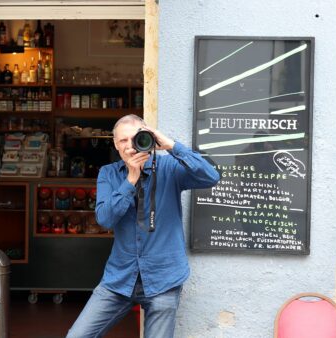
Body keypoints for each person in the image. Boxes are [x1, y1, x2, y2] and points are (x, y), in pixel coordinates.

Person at [66, 115, 220, 338]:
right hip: (120, 278)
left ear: (148, 138)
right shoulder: (109, 174)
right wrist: (130, 180)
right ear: (115, 145)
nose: (129, 147)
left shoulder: (169, 168)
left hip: (163, 278)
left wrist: (171, 145)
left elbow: (211, 177)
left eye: (135, 139)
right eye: (122, 141)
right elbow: (105, 219)